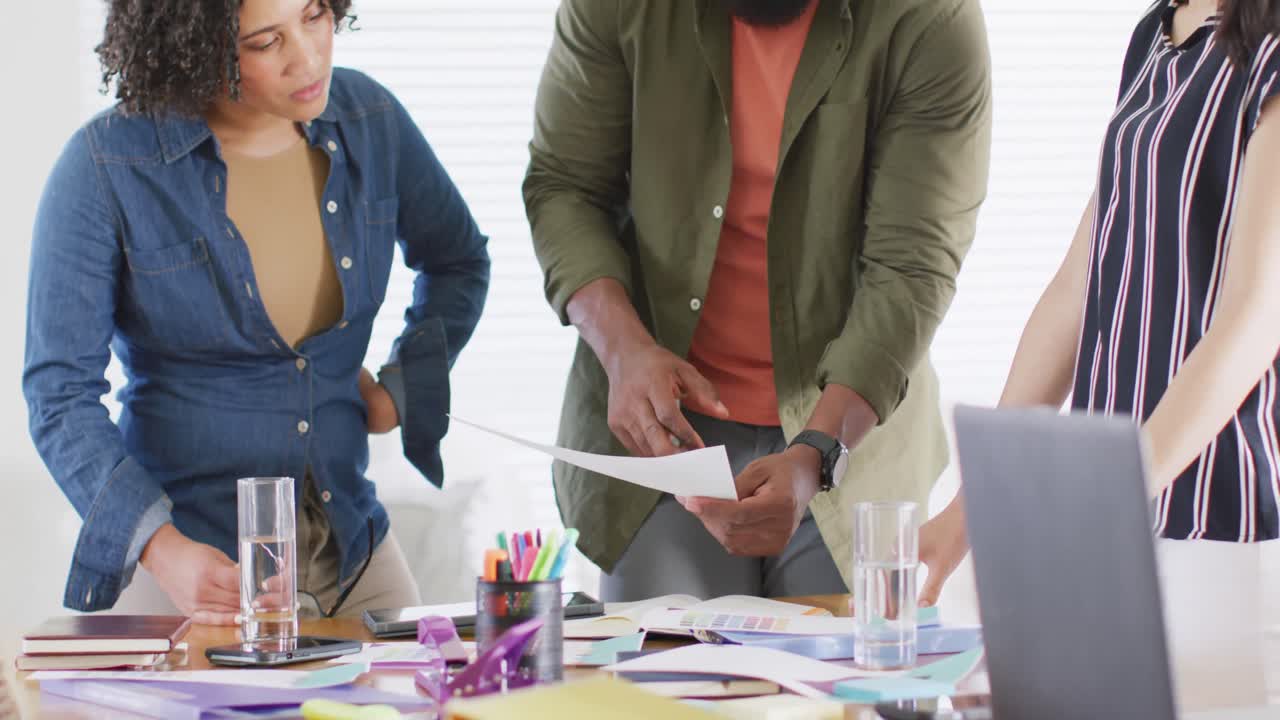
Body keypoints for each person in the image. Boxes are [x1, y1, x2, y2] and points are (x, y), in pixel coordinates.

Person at [23, 0, 490, 623]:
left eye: (315, 14)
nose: (308, 57)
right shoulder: (105, 165)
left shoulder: (370, 119)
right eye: (266, 42)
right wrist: (163, 551)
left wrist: (401, 387)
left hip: (353, 551)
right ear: (196, 47)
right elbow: (59, 396)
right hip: (195, 569)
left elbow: (458, 260)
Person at [523, 0, 993, 600]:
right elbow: (565, 186)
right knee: (664, 660)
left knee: (838, 661)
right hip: (664, 439)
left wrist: (818, 453)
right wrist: (623, 350)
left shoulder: (929, 17)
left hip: (850, 434)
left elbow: (911, 267)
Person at [919, 0, 1280, 608]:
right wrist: (971, 505)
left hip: (1227, 526)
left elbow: (1256, 318)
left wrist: (1113, 491)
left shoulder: (1270, 49)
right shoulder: (1156, 34)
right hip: (1116, 519)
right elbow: (1079, 285)